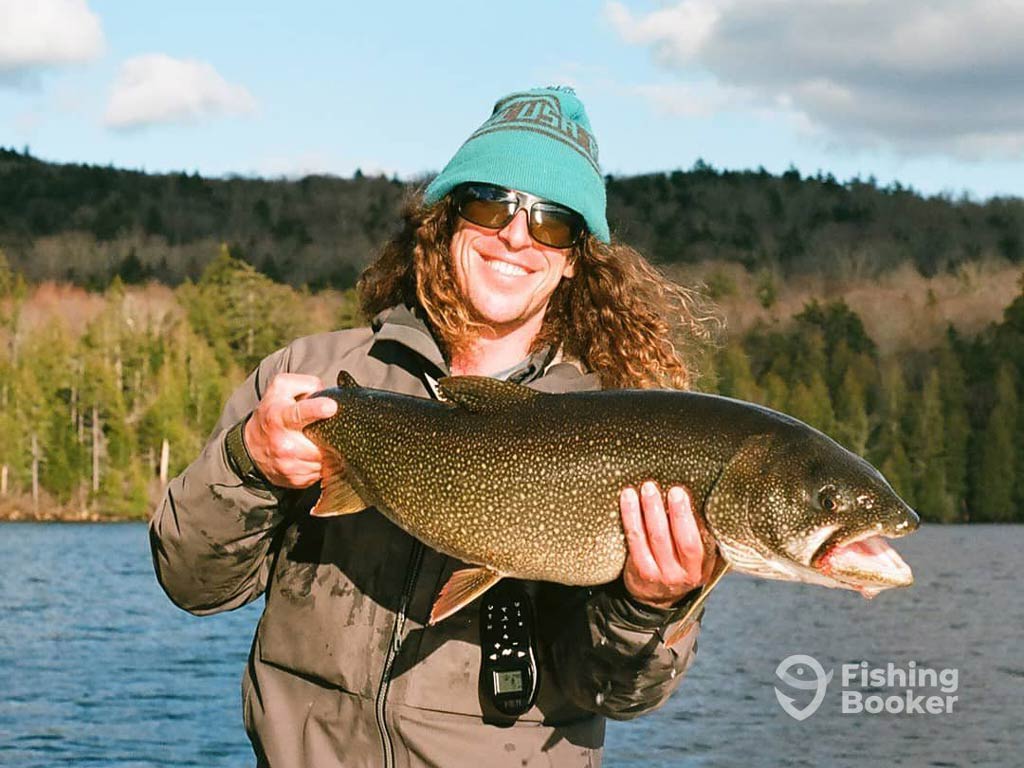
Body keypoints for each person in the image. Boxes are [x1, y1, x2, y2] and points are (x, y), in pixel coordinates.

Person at [149, 86, 717, 768]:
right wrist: (250, 463)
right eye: (490, 204)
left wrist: (648, 607)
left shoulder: (624, 433)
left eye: (552, 222)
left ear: (573, 257)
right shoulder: (313, 378)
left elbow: (619, 693)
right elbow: (190, 581)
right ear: (446, 220)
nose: (515, 234)